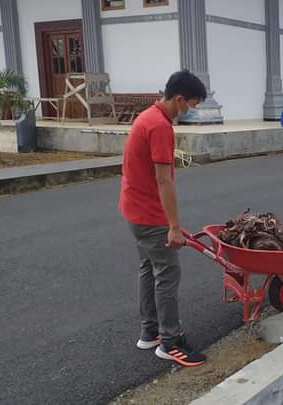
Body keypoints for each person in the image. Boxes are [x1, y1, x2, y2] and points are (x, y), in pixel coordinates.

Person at [119, 69, 207, 367]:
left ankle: (150, 332)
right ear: (179, 98)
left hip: (134, 210)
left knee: (149, 269)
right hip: (149, 214)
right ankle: (169, 342)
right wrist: (173, 227)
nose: (190, 111)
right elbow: (163, 180)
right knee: (168, 274)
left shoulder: (145, 117)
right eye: (191, 105)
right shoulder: (159, 126)